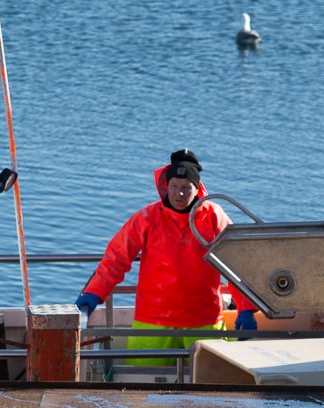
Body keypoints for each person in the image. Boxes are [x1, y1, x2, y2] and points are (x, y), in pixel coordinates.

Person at [76, 149, 259, 366]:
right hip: (153, 321)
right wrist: (95, 292)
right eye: (174, 186)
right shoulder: (147, 217)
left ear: (197, 189)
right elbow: (117, 258)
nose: (179, 193)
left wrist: (246, 308)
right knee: (142, 383)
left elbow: (237, 262)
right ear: (166, 186)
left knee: (211, 380)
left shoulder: (213, 216)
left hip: (203, 320)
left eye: (186, 187)